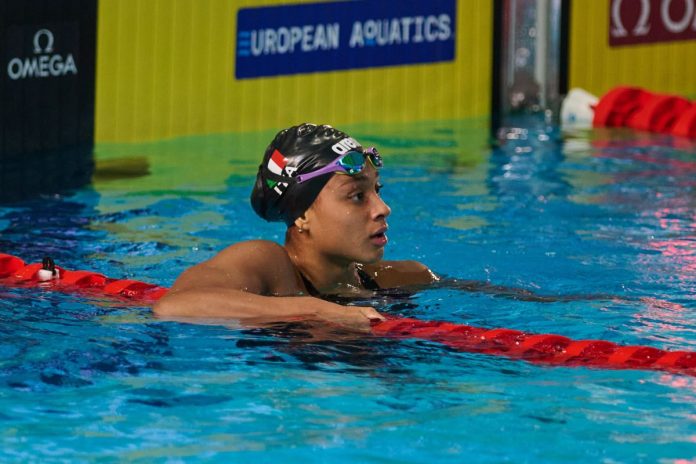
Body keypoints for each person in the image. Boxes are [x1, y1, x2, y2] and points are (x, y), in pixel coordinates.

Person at [154, 123, 437, 331]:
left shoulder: (402, 279)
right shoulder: (270, 264)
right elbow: (175, 305)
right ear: (301, 214)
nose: (383, 208)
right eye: (356, 196)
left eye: (377, 190)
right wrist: (315, 310)